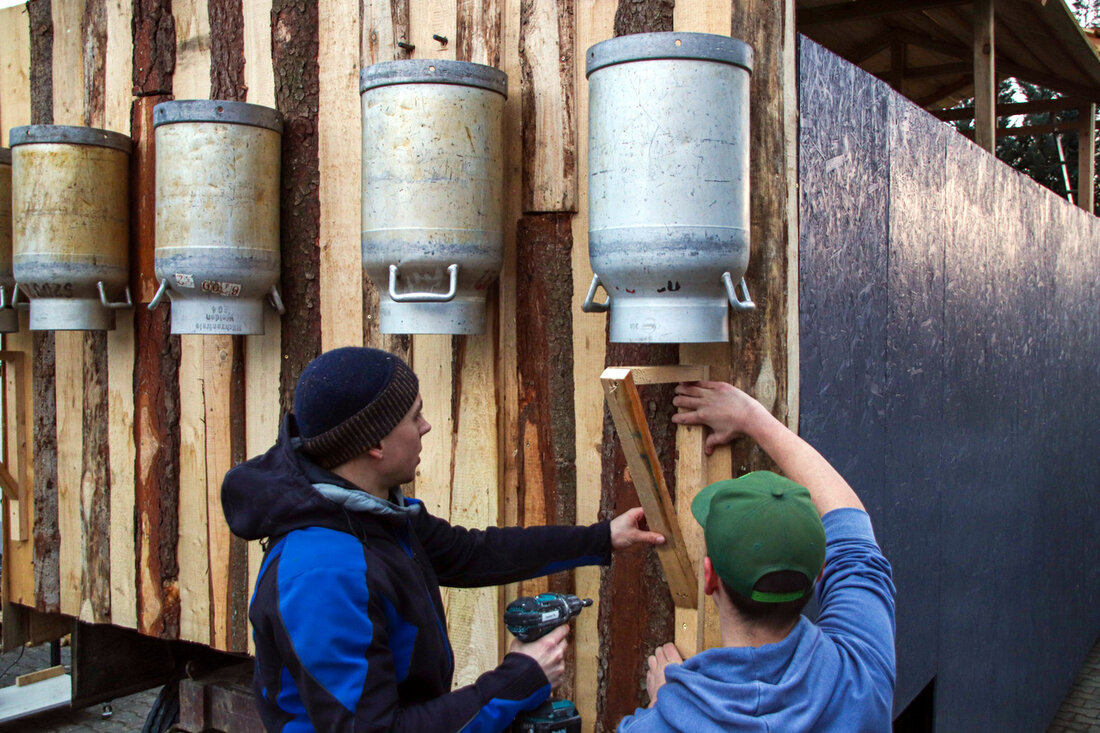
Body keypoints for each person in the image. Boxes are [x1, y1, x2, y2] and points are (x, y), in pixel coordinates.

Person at [221, 347, 664, 732]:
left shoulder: (369, 511)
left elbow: (472, 554)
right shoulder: (323, 574)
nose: (427, 426)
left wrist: (601, 538)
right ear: (375, 443)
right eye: (413, 416)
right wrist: (520, 678)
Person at [617, 381, 896, 732]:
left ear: (709, 577)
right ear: (821, 571)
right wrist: (754, 418)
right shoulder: (862, 674)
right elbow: (852, 529)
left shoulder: (657, 725)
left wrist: (662, 704)